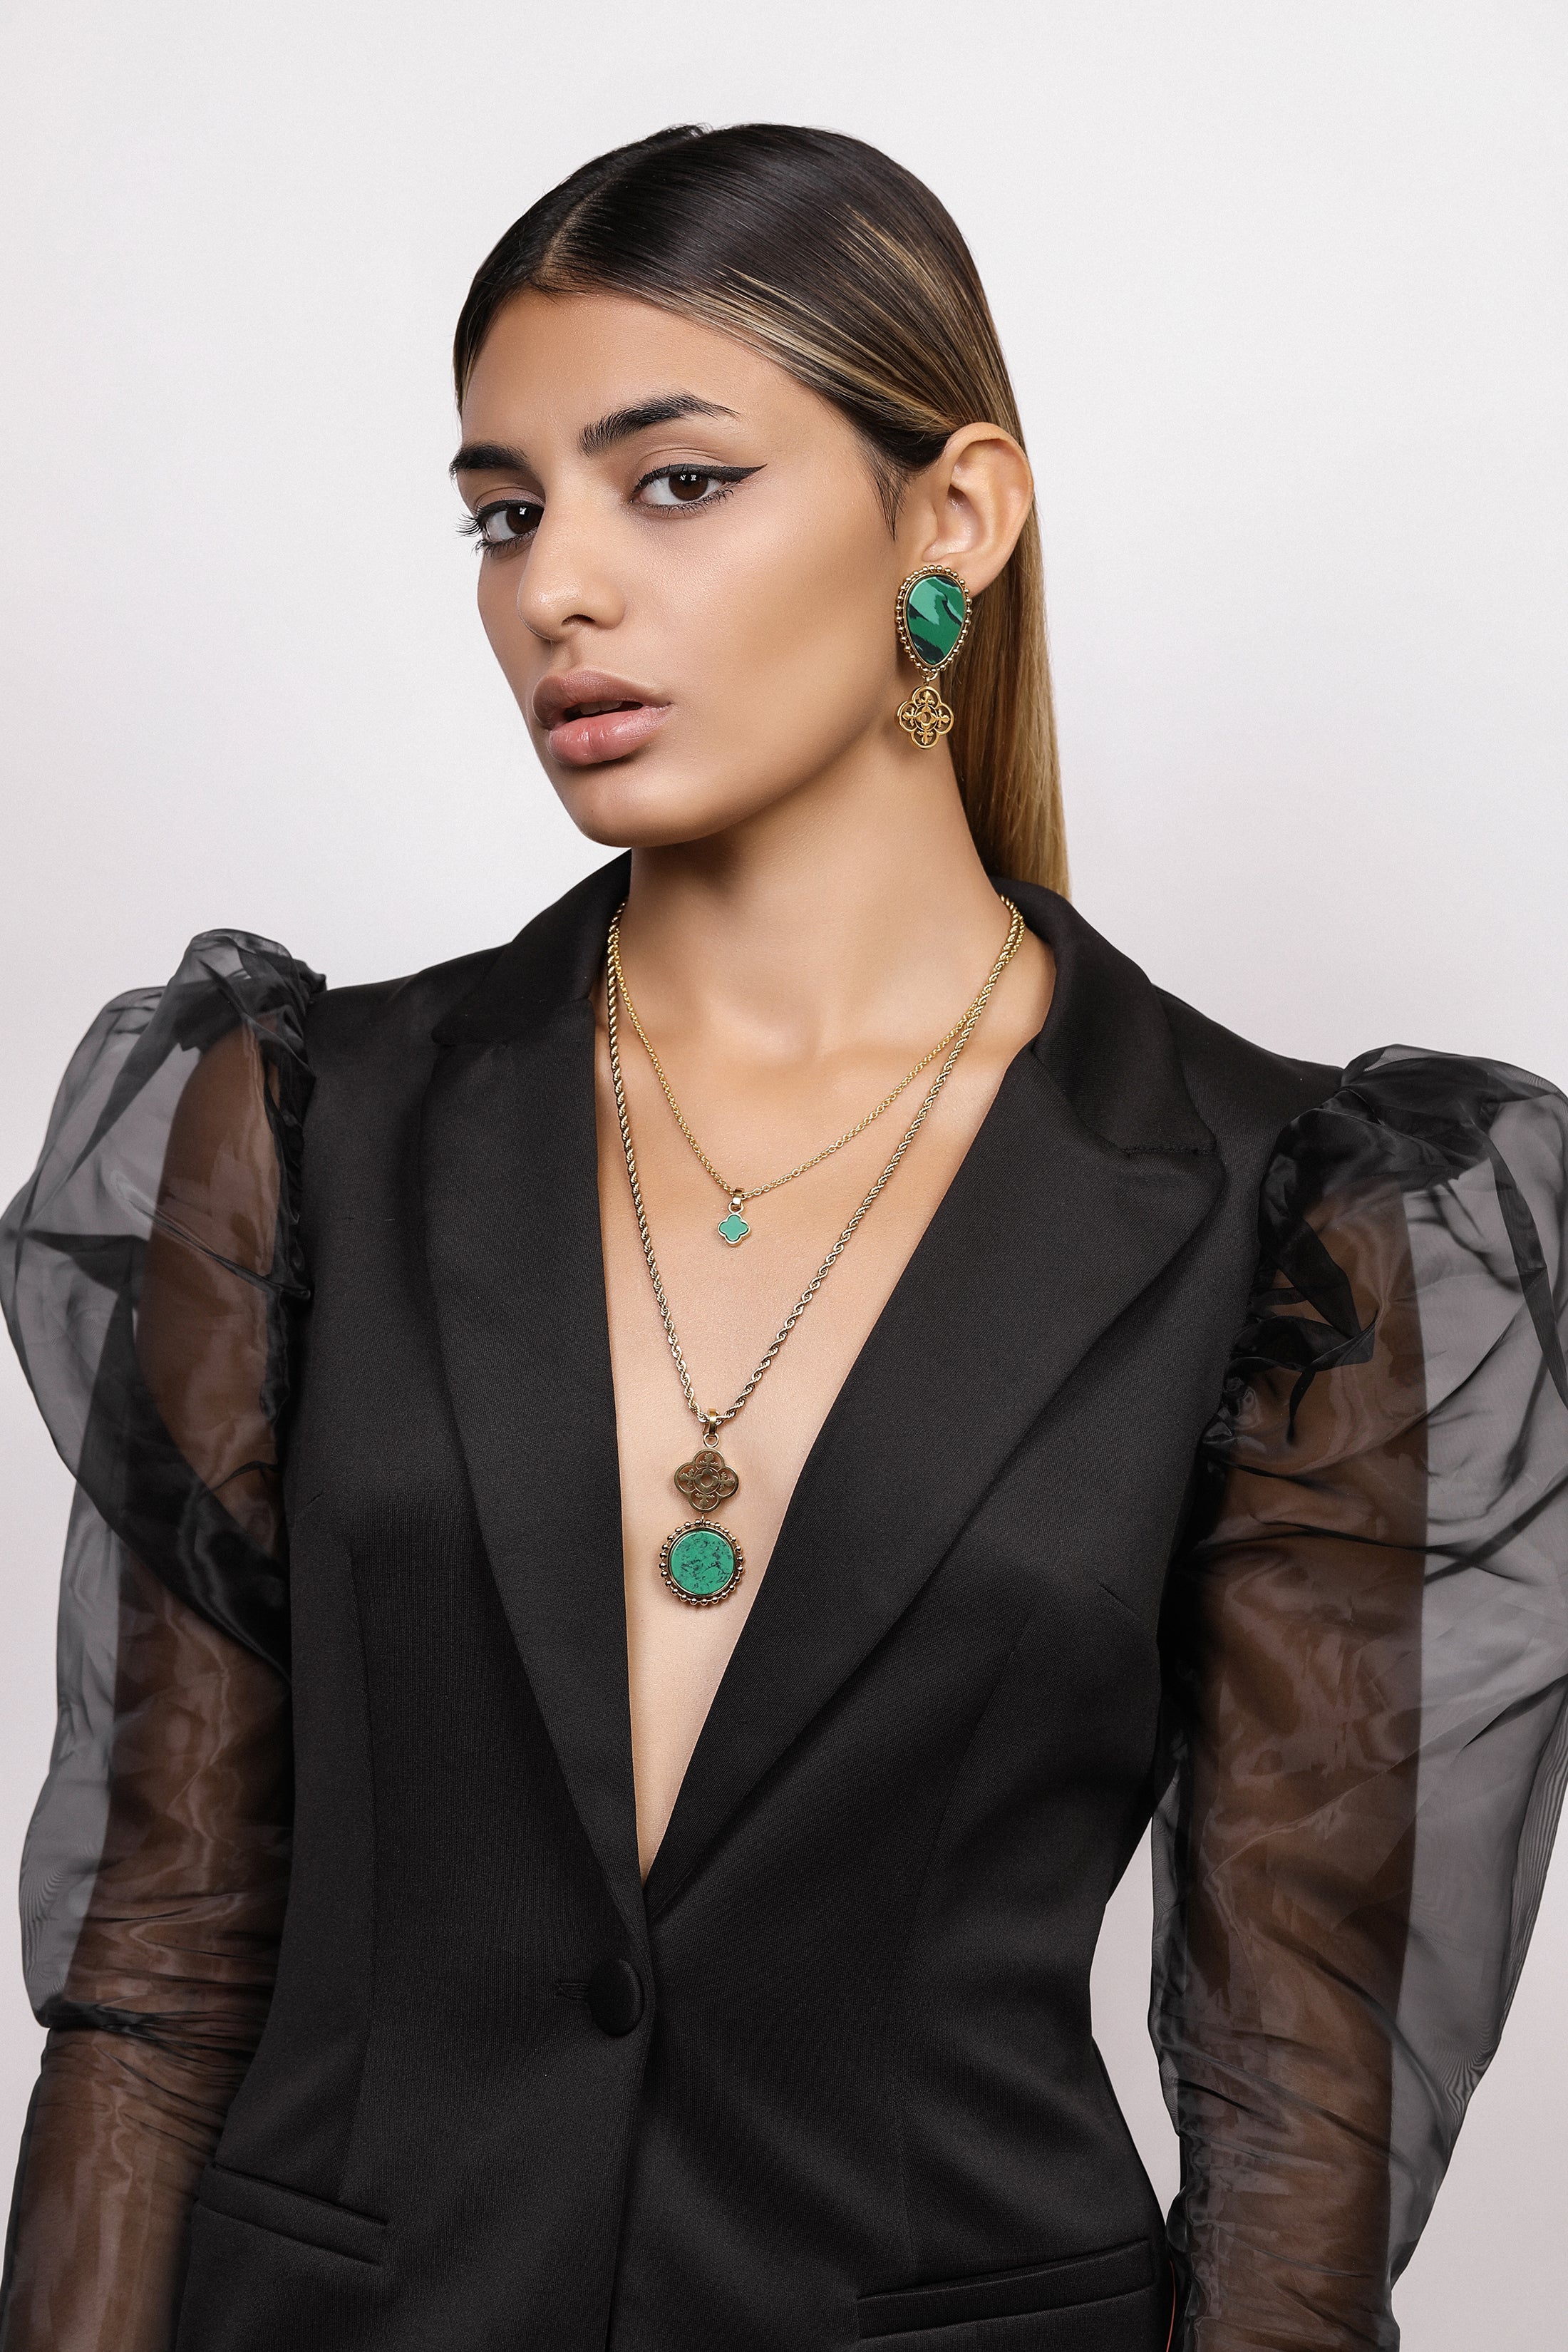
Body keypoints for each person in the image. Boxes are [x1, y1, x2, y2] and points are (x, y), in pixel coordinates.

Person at [2, 122, 1565, 2352]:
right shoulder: (301, 1126)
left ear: (953, 517)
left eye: (676, 481)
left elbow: (1292, 2109)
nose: (556, 587)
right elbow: (157, 1964)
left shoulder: (1296, 1215)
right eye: (504, 512)